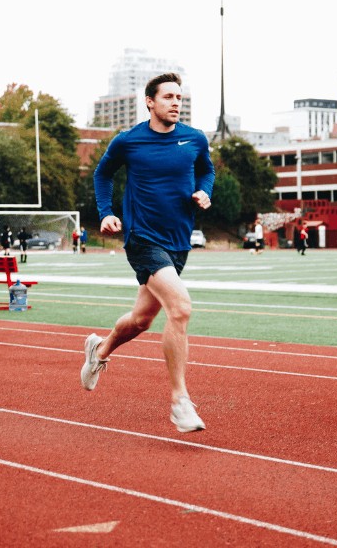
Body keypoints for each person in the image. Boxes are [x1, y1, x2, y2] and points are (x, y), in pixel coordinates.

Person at [85, 72, 215, 434]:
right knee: (181, 307)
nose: (176, 103)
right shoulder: (129, 141)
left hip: (178, 241)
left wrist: (205, 192)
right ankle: (179, 401)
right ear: (150, 102)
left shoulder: (194, 139)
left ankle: (99, 351)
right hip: (142, 238)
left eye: (179, 98)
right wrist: (106, 212)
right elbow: (102, 174)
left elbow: (207, 170)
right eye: (169, 97)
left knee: (142, 320)